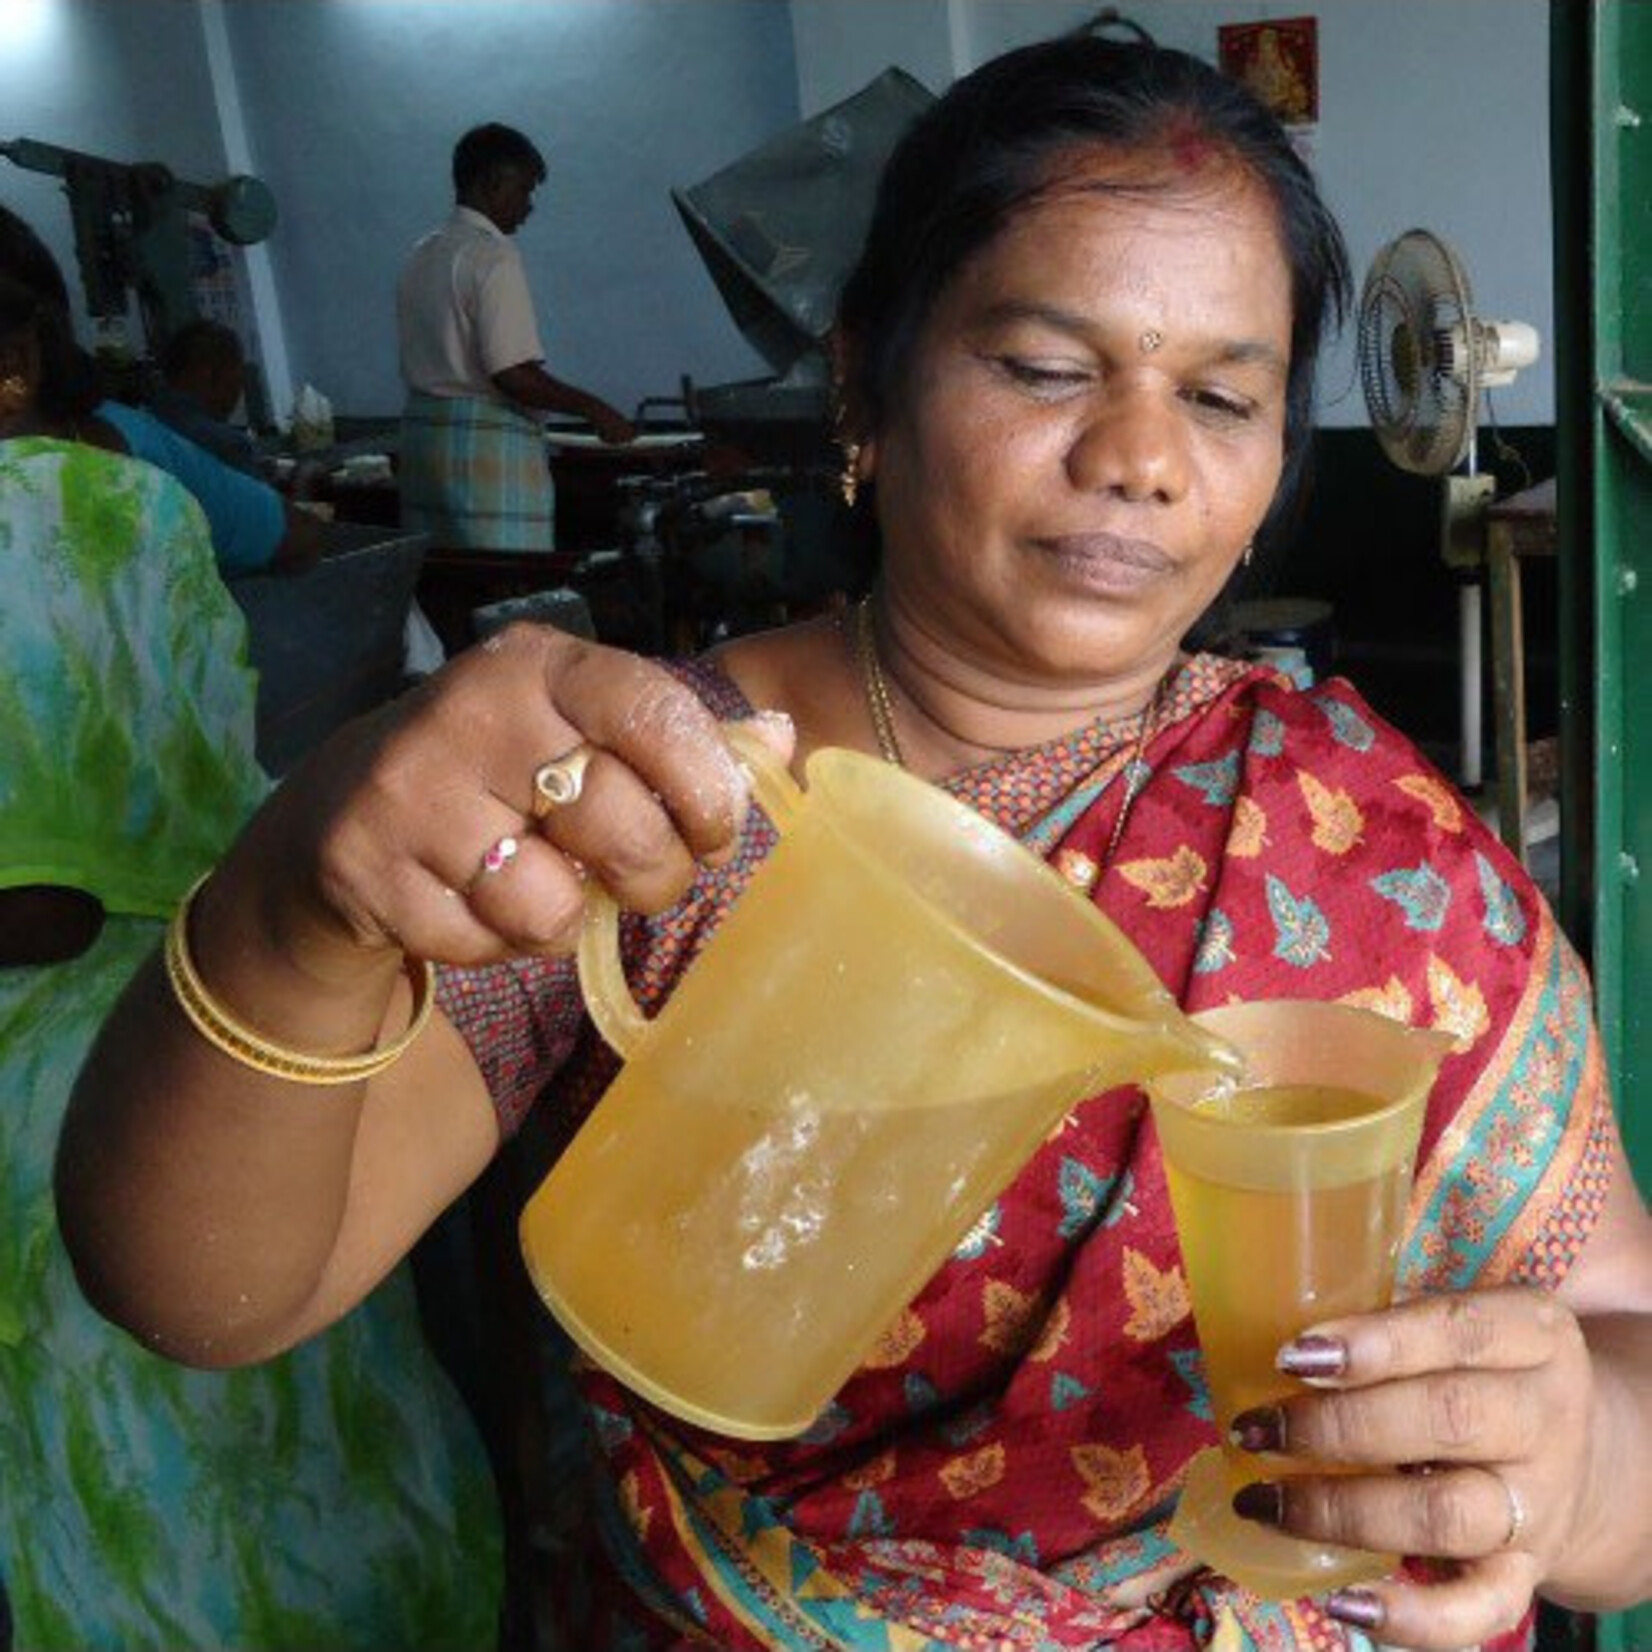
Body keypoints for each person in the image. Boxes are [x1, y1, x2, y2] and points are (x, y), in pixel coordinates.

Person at [56, 37, 1652, 1652]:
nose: (1140, 456)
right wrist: (294, 908)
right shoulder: (647, 793)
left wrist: (1575, 1460)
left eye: (1223, 397)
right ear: (861, 383)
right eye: (1043, 367)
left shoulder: (1360, 840)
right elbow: (209, 1290)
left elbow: (1624, 1378)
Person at [0, 252, 503, 1647]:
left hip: (38, 1063)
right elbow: (293, 550)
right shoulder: (146, 495)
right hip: (240, 1013)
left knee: (106, 1450)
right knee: (315, 1388)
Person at [396, 120, 636, 554]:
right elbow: (511, 372)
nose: (529, 206)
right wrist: (593, 407)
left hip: (424, 451)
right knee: (508, 597)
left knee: (445, 591)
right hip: (484, 460)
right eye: (524, 190)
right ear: (492, 183)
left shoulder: (423, 252)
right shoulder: (492, 255)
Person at [149, 315, 261, 474]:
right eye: (236, 379)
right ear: (211, 376)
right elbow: (260, 499)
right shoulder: (227, 445)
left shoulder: (140, 425)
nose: (238, 392)